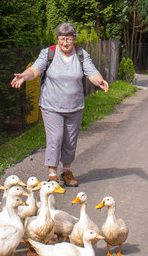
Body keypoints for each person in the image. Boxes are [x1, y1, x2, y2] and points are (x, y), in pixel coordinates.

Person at [10, 22, 109, 186]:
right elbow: (35, 70)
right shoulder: (48, 53)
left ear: (74, 39)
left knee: (70, 140)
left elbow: (91, 72)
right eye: (62, 39)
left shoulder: (81, 54)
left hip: (75, 106)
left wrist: (100, 81)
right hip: (51, 105)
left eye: (68, 39)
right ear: (57, 39)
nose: (65, 43)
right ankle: (52, 175)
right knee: (55, 138)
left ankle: (66, 172)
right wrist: (24, 76)